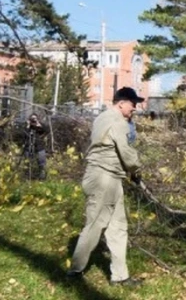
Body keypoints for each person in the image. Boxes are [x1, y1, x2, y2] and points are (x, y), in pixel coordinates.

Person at [68, 87, 144, 287]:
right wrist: (137, 171)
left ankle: (120, 276)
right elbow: (127, 153)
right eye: (132, 103)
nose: (135, 108)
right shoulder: (118, 121)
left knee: (118, 227)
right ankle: (75, 271)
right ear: (121, 103)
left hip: (110, 178)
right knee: (95, 225)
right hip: (104, 178)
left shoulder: (101, 117)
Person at [24, 113, 48, 180]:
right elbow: (23, 135)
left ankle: (42, 177)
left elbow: (46, 131)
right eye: (32, 119)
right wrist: (28, 125)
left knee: (42, 162)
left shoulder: (40, 126)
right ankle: (27, 177)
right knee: (27, 163)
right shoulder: (27, 126)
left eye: (35, 119)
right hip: (28, 147)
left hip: (39, 147)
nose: (33, 120)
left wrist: (38, 124)